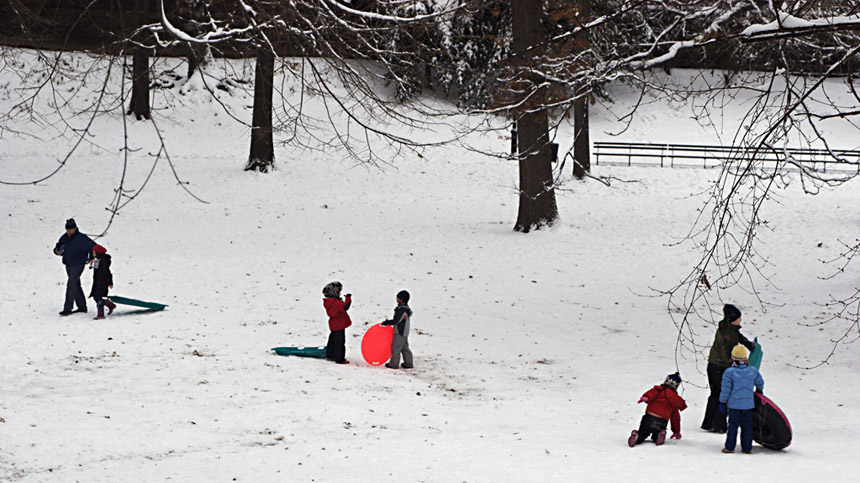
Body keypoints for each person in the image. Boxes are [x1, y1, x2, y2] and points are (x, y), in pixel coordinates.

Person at [701, 304, 756, 433]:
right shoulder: (728, 334)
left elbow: (738, 336)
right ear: (733, 319)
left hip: (714, 365)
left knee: (716, 394)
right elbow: (726, 353)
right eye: (738, 318)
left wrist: (747, 343)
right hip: (718, 367)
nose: (740, 320)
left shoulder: (729, 329)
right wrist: (736, 366)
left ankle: (710, 422)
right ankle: (718, 425)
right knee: (721, 395)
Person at [720, 344, 765, 454]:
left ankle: (729, 447)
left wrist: (722, 401)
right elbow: (760, 382)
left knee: (733, 427)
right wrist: (759, 391)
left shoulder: (729, 372)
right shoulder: (752, 371)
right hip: (748, 405)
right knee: (747, 427)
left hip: (733, 405)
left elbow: (726, 389)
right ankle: (747, 447)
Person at [628, 372, 687, 447]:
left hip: (649, 417)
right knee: (656, 434)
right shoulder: (674, 400)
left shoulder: (658, 390)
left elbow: (650, 394)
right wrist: (676, 431)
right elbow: (675, 418)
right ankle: (659, 435)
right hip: (662, 421)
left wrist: (646, 398)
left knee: (643, 432)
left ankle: (637, 436)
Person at [53, 218, 96, 316]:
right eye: (67, 230)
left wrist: (91, 257)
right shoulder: (64, 237)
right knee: (76, 285)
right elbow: (58, 248)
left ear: (75, 228)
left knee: (71, 284)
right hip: (68, 263)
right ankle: (82, 307)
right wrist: (56, 251)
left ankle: (67, 308)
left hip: (78, 264)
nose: (69, 232)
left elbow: (94, 247)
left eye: (70, 229)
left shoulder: (82, 238)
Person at [382, 290, 413, 369]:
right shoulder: (406, 309)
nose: (396, 299)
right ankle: (408, 362)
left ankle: (393, 364)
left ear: (401, 299)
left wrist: (387, 322)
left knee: (395, 349)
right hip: (404, 332)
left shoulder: (401, 310)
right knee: (404, 348)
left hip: (399, 332)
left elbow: (396, 321)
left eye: (398, 298)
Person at [323, 281, 352, 364]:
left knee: (333, 339)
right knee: (340, 342)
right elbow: (346, 306)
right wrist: (348, 298)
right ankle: (340, 358)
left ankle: (330, 354)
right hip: (339, 325)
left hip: (334, 324)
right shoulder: (336, 303)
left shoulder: (329, 302)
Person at [89, 245, 116, 320]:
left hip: (102, 282)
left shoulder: (103, 262)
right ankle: (110, 305)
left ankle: (100, 314)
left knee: (99, 298)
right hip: (97, 282)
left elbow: (107, 273)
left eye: (94, 252)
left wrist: (110, 282)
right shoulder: (97, 260)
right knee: (96, 297)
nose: (93, 254)